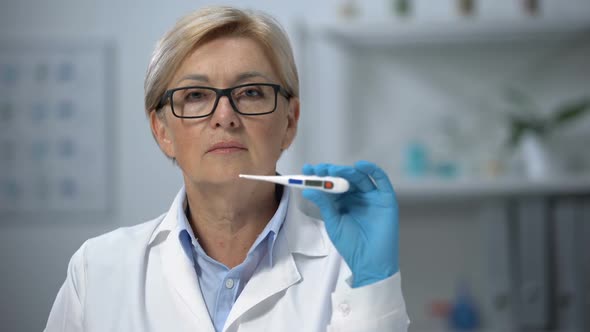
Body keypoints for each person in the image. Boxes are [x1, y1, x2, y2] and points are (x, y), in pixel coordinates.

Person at [45, 6, 409, 332]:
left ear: (290, 121)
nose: (225, 117)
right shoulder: (97, 271)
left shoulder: (349, 266)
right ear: (162, 130)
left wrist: (372, 284)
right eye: (196, 96)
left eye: (250, 92)